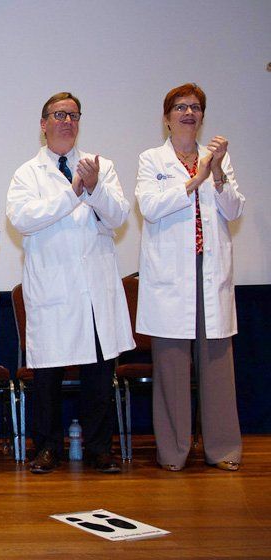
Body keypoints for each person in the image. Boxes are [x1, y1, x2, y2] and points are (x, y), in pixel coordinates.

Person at [7, 92, 134, 475]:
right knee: (47, 376)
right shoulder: (27, 173)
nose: (66, 121)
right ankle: (46, 449)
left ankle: (99, 449)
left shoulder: (101, 167)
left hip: (94, 287)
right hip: (53, 288)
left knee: (99, 374)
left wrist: (94, 189)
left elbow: (118, 217)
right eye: (58, 115)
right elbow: (23, 219)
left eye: (73, 115)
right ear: (43, 124)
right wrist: (74, 191)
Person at [135, 83, 245, 472]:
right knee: (172, 367)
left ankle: (223, 450)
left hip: (209, 271)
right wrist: (195, 179)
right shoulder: (152, 159)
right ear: (166, 118)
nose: (189, 113)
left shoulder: (217, 160)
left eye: (195, 107)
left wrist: (216, 175)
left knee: (217, 367)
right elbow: (150, 207)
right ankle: (173, 452)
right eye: (180, 107)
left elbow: (233, 210)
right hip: (171, 276)